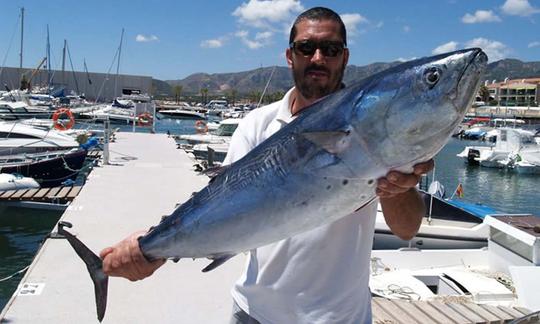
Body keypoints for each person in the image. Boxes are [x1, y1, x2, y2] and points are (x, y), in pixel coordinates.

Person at [100, 7, 433, 324]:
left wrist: (396, 189)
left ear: (344, 57)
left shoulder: (374, 129)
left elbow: (406, 230)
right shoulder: (257, 124)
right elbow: (219, 204)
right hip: (254, 313)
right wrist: (152, 244)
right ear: (290, 55)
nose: (318, 58)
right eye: (306, 48)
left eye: (330, 49)